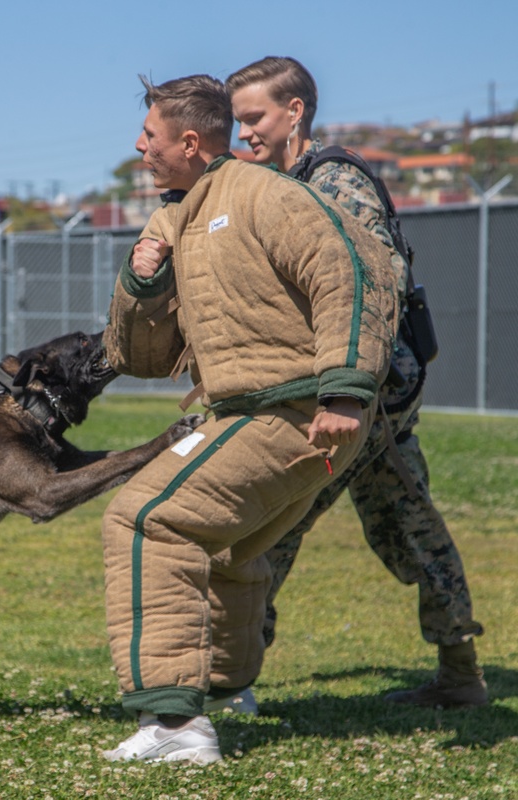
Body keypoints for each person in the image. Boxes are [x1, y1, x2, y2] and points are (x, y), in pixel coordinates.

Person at [99, 73, 399, 764]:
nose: (138, 146)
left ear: (191, 141)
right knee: (228, 551)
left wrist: (345, 393)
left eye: (150, 135)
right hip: (252, 412)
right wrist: (143, 283)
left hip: (295, 411)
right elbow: (142, 356)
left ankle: (175, 728)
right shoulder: (177, 218)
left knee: (148, 518)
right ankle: (225, 690)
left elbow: (349, 273)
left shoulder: (266, 195)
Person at [225, 56, 486, 709]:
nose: (244, 133)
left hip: (367, 389)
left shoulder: (335, 182)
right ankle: (460, 672)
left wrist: (348, 389)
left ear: (295, 112)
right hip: (342, 384)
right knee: (399, 513)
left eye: (254, 118)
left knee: (279, 515)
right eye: (238, 121)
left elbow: (369, 283)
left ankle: (235, 668)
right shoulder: (284, 184)